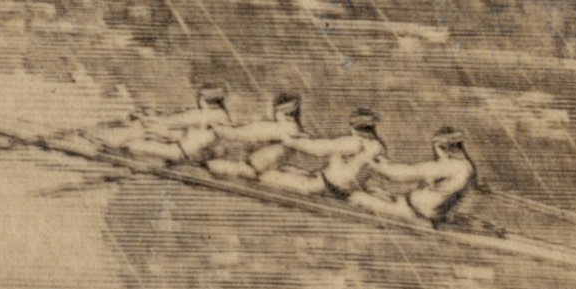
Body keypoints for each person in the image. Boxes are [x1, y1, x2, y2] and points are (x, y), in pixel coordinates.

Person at [357, 128, 479, 225]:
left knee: (356, 197)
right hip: (424, 214)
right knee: (375, 192)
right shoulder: (467, 167)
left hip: (411, 213)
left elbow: (398, 175)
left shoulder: (447, 167)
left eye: (435, 147)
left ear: (442, 148)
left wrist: (372, 163)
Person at [258, 107, 386, 196]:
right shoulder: (379, 147)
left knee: (267, 176)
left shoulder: (356, 142)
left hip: (322, 188)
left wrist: (290, 141)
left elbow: (319, 149)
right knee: (290, 169)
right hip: (342, 190)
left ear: (352, 128)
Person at [202, 92, 307, 180]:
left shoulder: (284, 128)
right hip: (256, 171)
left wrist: (216, 128)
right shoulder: (293, 128)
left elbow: (241, 135)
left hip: (253, 172)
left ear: (279, 112)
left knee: (208, 166)